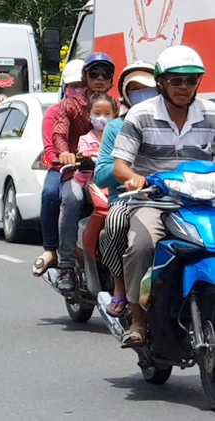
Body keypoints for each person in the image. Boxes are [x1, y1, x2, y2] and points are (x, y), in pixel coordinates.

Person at [111, 45, 215, 347]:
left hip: (202, 202)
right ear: (161, 82)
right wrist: (135, 179)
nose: (184, 87)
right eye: (176, 80)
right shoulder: (141, 115)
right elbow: (120, 166)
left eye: (191, 80)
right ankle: (138, 321)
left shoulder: (211, 114)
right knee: (141, 244)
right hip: (155, 200)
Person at [93, 61, 157, 317]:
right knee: (117, 223)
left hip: (173, 197)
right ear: (126, 94)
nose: (143, 94)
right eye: (136, 89)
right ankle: (120, 287)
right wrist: (130, 176)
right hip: (128, 199)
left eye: (148, 88)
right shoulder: (116, 127)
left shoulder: (168, 120)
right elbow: (102, 173)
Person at [52, 52, 116, 293]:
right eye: (94, 74)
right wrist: (65, 154)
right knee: (71, 199)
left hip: (111, 177)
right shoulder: (69, 106)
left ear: (111, 80)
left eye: (105, 74)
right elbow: (59, 134)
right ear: (84, 77)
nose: (99, 78)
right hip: (79, 174)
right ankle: (66, 265)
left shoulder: (119, 107)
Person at [33, 59, 86, 276]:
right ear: (64, 88)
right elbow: (50, 146)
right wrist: (62, 158)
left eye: (82, 86)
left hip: (93, 168)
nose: (78, 92)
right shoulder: (55, 113)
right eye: (73, 87)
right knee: (50, 194)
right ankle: (51, 250)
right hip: (63, 169)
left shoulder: (100, 109)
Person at [75, 93, 118, 187]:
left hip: (111, 182)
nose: (102, 118)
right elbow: (85, 156)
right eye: (97, 113)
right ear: (88, 115)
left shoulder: (118, 139)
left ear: (114, 115)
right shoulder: (84, 140)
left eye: (107, 114)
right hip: (88, 183)